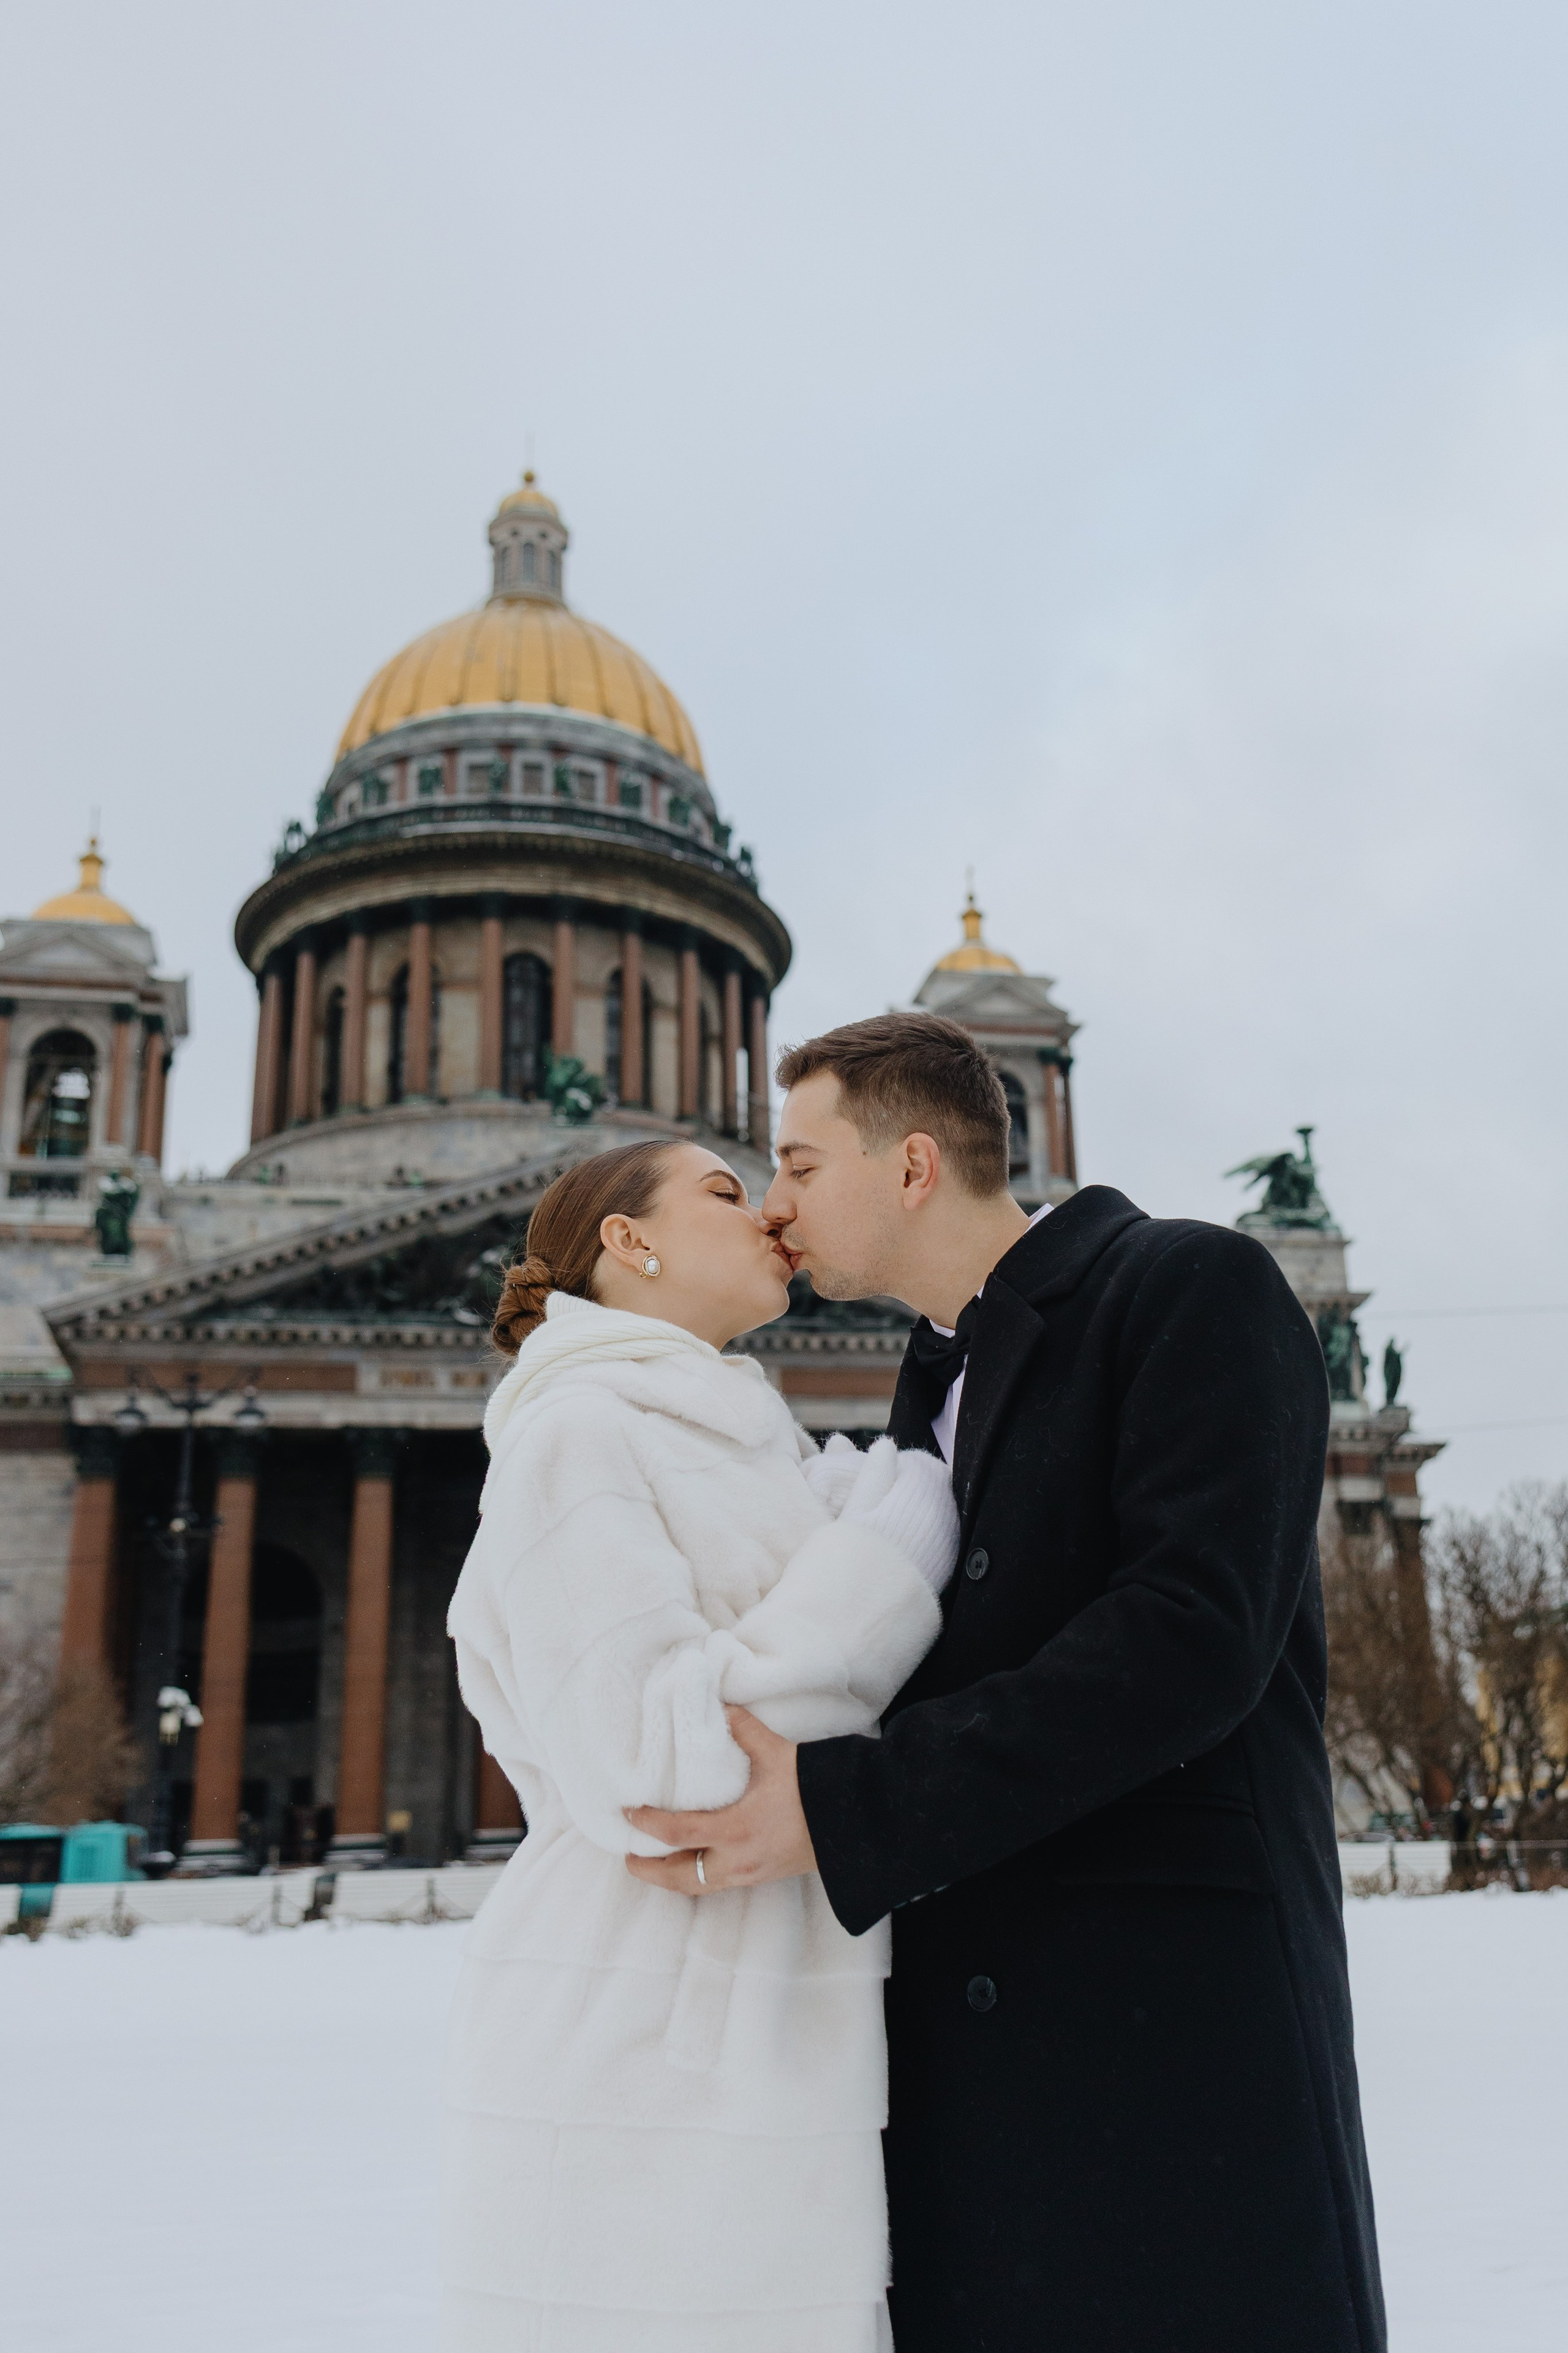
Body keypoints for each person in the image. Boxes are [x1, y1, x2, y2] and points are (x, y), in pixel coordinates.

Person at [627, 1013, 1387, 2353]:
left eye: (798, 1163)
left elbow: (1187, 1635)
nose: (775, 1203)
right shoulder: (926, 1392)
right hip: (977, 2113)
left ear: (911, 1165)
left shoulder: (1188, 1285)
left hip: (1174, 2083)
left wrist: (841, 1807)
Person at [440, 1137, 959, 2352]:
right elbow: (656, 1774)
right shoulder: (574, 1436)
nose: (773, 1210)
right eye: (726, 1192)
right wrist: (882, 1568)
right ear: (630, 1242)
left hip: (759, 2023)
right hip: (644, 2046)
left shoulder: (739, 1438)